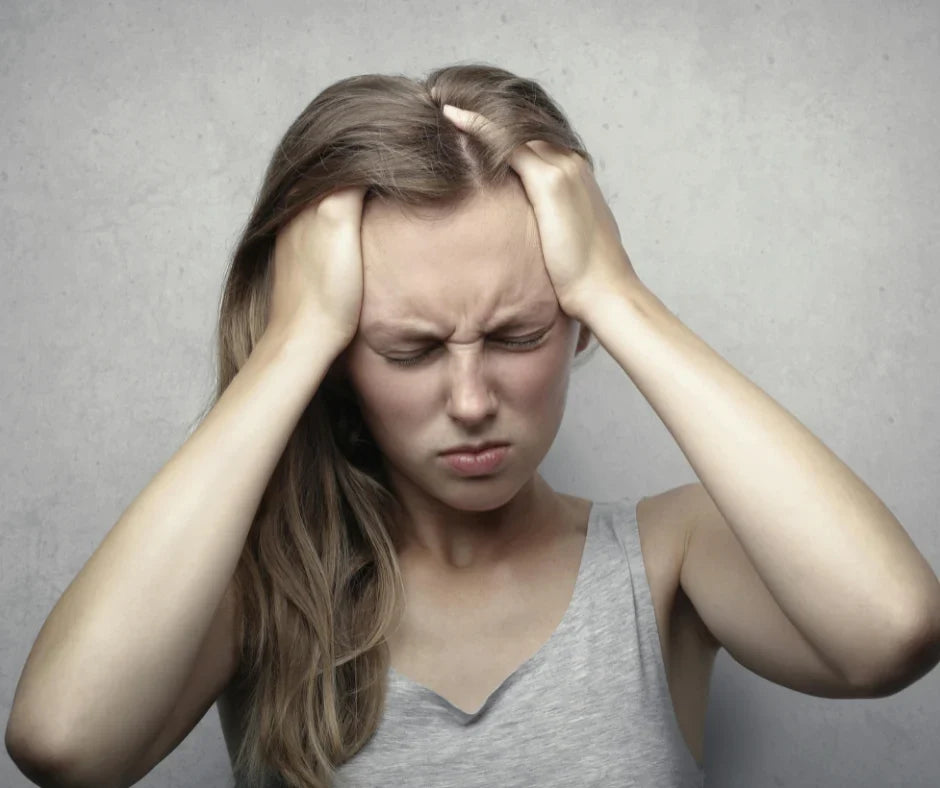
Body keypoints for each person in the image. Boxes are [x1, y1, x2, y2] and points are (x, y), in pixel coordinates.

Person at [8, 63, 940, 788]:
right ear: (341, 363)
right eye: (408, 350)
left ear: (571, 322)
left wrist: (617, 291)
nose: (469, 399)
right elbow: (63, 745)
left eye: (517, 334)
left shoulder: (668, 560)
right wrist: (294, 341)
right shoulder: (263, 596)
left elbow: (892, 629)